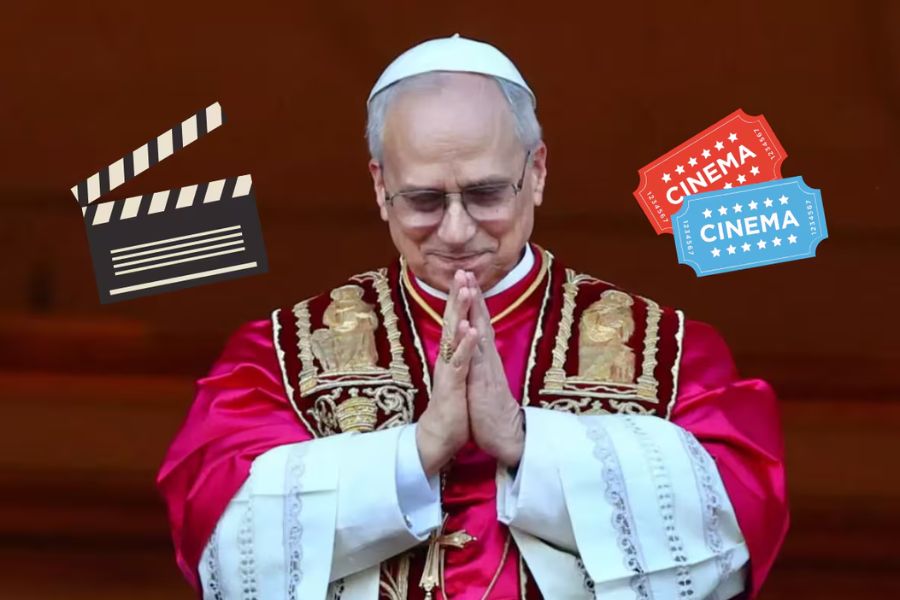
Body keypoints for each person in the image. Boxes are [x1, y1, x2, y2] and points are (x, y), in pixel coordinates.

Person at [157, 34, 788, 599]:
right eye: (424, 200)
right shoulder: (280, 356)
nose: (457, 231)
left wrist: (523, 440)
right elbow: (221, 542)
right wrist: (416, 451)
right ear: (379, 186)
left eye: (486, 194)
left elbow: (735, 526)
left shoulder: (666, 351)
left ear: (536, 172)